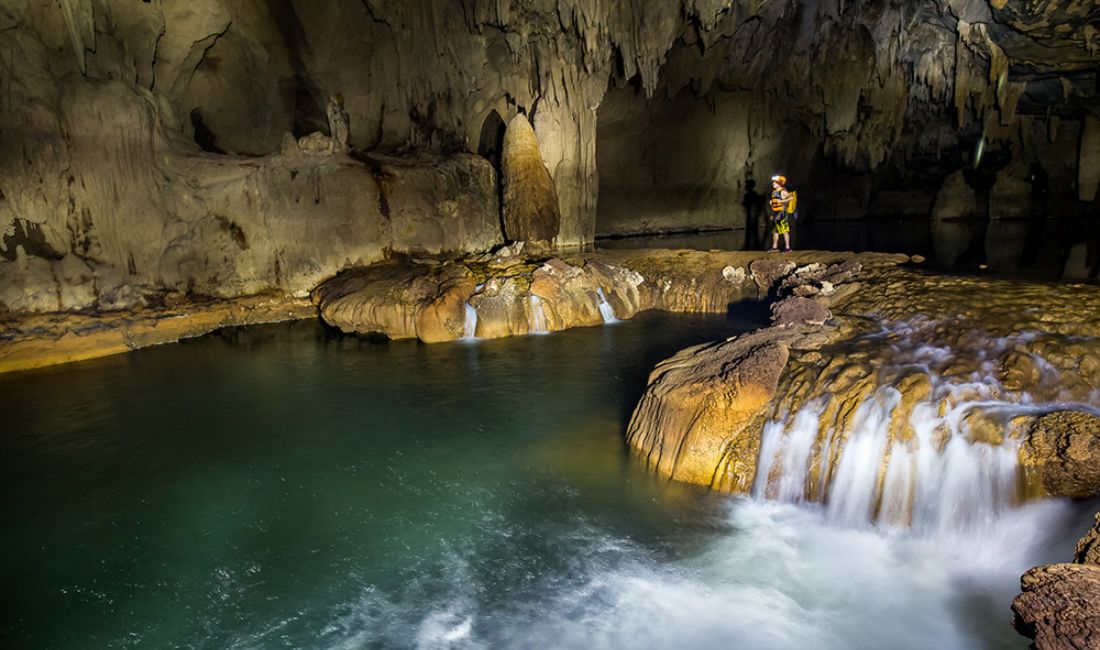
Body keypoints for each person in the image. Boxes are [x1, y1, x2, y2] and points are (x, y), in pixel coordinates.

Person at [768, 174, 794, 252]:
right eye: (773, 182)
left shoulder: (783, 191)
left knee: (784, 230)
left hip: (782, 213)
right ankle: (774, 247)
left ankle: (788, 247)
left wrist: (781, 201)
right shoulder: (774, 192)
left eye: (775, 182)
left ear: (779, 183)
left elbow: (791, 197)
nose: (773, 184)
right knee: (775, 231)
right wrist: (771, 204)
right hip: (775, 213)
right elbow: (774, 201)